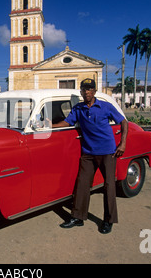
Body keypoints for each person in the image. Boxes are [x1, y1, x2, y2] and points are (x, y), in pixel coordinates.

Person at [49, 78, 128, 234]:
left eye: (89, 89)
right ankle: (78, 217)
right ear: (81, 92)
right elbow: (67, 122)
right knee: (82, 184)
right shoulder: (79, 109)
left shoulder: (105, 106)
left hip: (107, 152)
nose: (87, 92)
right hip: (88, 153)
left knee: (109, 186)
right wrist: (50, 125)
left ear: (94, 91)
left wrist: (123, 144)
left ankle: (108, 220)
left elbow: (123, 122)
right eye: (84, 89)